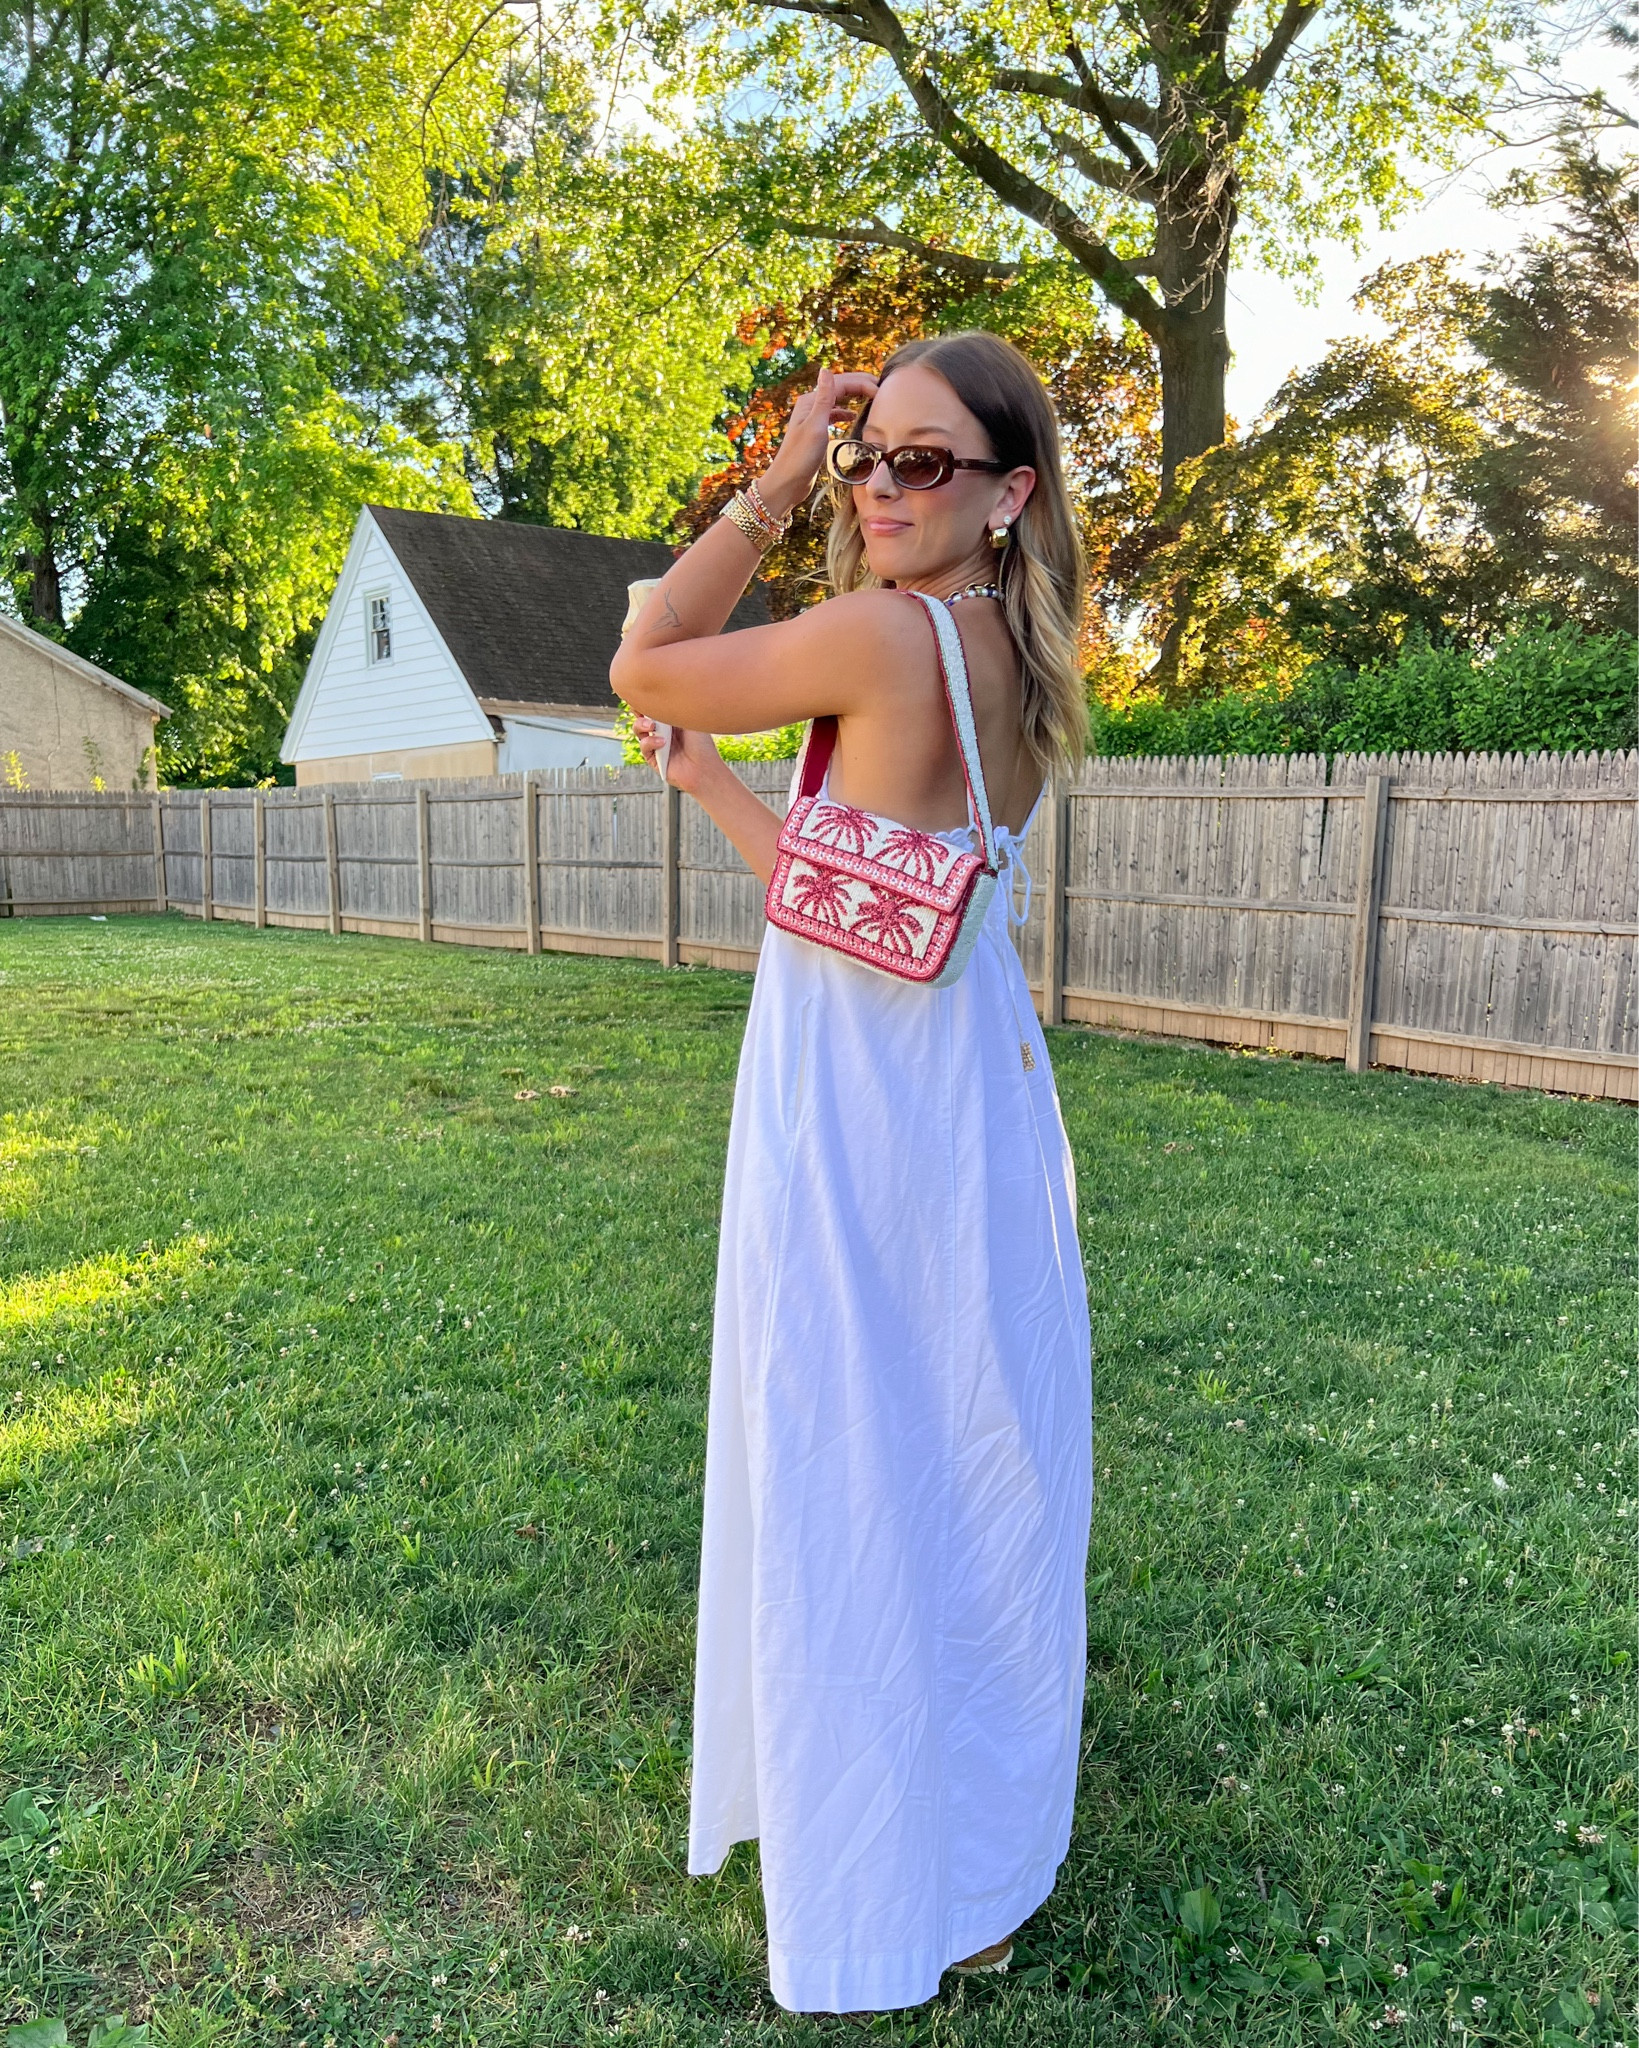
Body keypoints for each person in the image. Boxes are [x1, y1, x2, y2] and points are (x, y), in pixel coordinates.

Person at [610, 329, 1094, 2016]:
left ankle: (890, 1866)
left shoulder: (887, 637)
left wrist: (771, 477)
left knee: (851, 1453)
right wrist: (724, 801)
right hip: (967, 1098)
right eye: (866, 456)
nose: (883, 488)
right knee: (963, 1459)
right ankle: (980, 1874)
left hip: (865, 1116)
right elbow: (869, 907)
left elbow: (650, 655)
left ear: (1006, 490)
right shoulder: (1007, 661)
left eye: (921, 462)